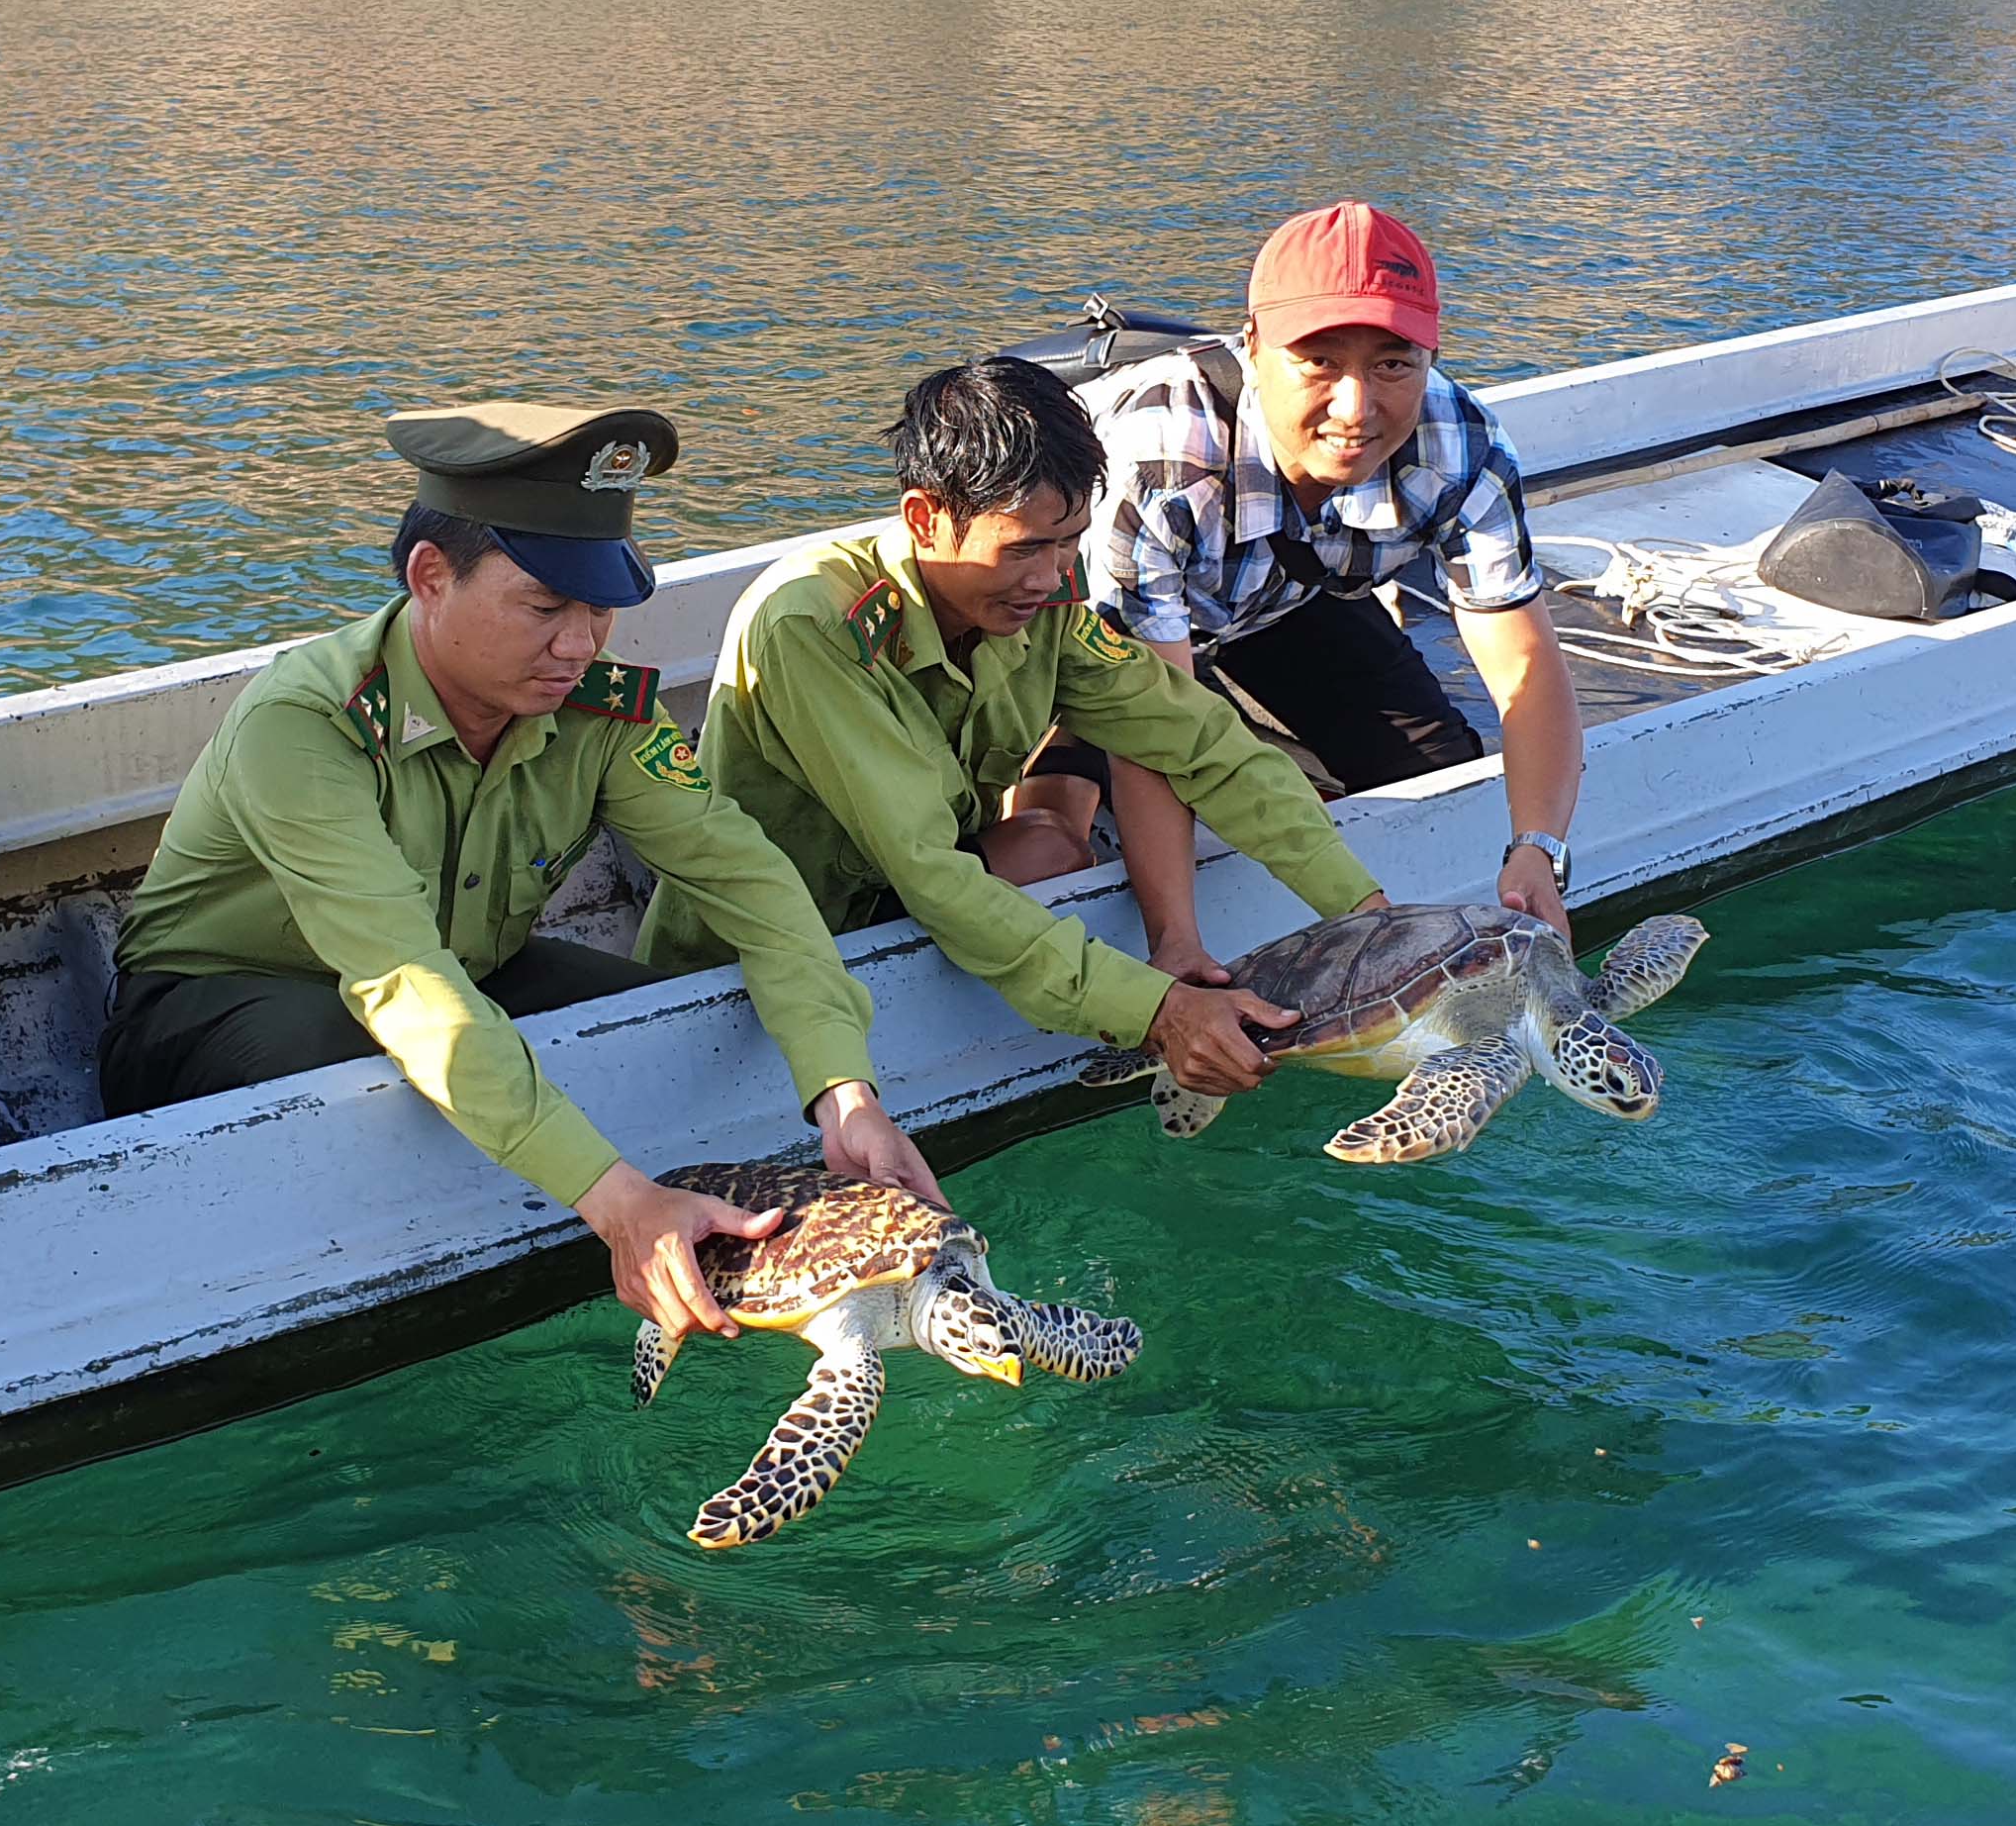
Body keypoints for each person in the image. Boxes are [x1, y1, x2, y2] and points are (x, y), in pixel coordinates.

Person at [100, 403, 941, 1346]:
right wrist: (616, 1200)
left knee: (679, 1026)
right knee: (368, 1074)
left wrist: (846, 1092)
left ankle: (645, 1245)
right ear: (429, 578)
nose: (580, 644)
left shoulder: (597, 707)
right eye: (545, 607)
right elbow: (406, 986)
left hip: (473, 974)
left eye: (599, 607)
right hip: (220, 1006)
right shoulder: (308, 726)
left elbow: (750, 883)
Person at [642, 357, 1389, 1105]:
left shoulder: (1042, 603)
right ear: (923, 518)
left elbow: (1202, 743)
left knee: (1052, 845)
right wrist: (1157, 1011)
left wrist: (1366, 914)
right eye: (1024, 548)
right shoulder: (813, 624)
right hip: (761, 952)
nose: (1052, 575)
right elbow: (929, 872)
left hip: (905, 904)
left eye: (1069, 542)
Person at [1079, 200, 1585, 976]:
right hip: (1092, 625)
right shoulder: (1159, 458)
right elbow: (1152, 728)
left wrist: (1537, 848)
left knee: (1436, 779)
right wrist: (1175, 941)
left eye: (1392, 364)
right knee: (1077, 819)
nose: (1356, 408)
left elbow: (1525, 671)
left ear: (1432, 355)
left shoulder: (1465, 447)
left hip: (1272, 603)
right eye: (1318, 361)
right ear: (1252, 347)